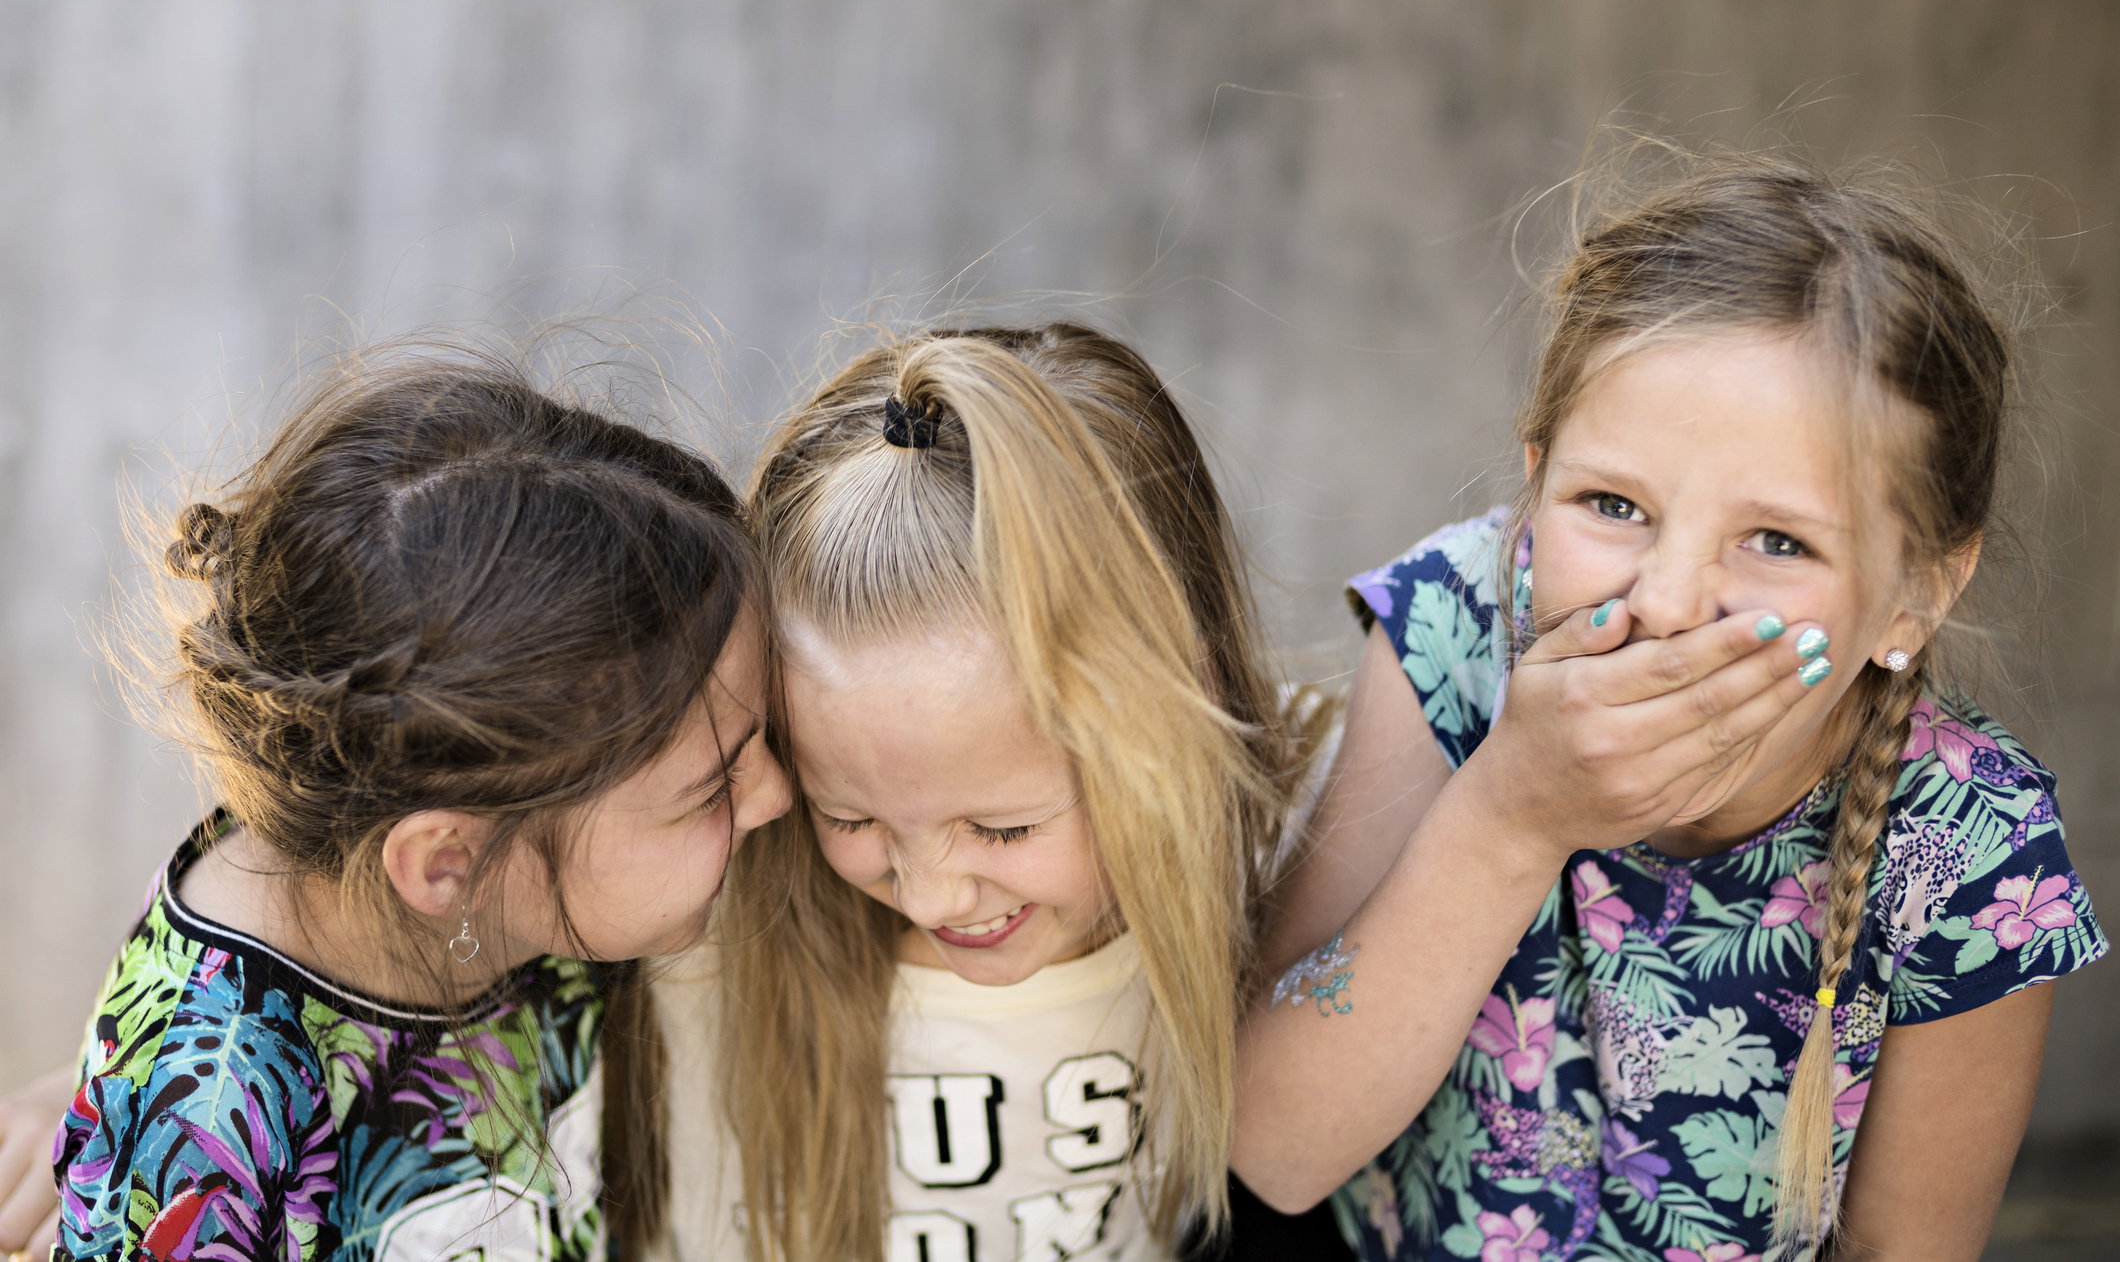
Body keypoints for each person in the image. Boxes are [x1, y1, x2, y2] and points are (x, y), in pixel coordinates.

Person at [1235, 159, 2107, 1260]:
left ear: (1916, 591)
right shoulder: (1451, 629)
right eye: (1612, 505)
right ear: (1533, 484)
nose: (1664, 602)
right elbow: (1269, 1144)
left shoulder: (1968, 843)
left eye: (1777, 540)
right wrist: (1509, 814)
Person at [31, 357, 793, 1261]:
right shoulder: (205, 1126)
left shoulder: (499, 865)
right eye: (715, 784)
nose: (777, 794)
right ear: (448, 864)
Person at [651, 321, 1332, 1262]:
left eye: (1003, 830)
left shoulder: (1305, 824)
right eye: (847, 815)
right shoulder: (691, 880)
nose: (932, 895)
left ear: (1179, 711)